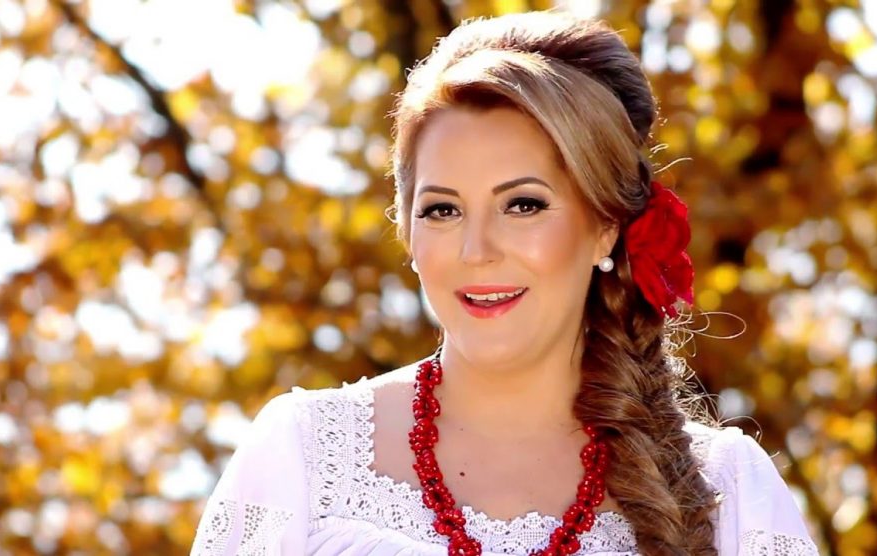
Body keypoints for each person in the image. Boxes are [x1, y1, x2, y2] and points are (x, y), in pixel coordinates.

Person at [189, 10, 819, 556]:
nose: (476, 251)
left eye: (523, 205)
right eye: (442, 210)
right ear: (406, 232)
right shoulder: (305, 458)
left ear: (606, 227)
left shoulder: (727, 490)